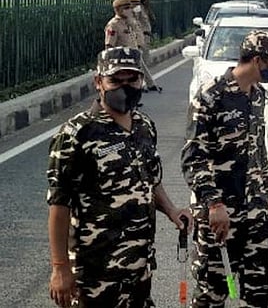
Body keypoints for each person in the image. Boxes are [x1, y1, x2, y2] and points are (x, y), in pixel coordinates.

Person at [47, 47, 191, 308]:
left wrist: (171, 210)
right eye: (115, 80)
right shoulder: (77, 134)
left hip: (139, 266)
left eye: (132, 80)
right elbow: (59, 205)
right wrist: (60, 268)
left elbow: (150, 180)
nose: (124, 87)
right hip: (95, 272)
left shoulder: (144, 126)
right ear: (98, 82)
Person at [181, 30, 268, 308]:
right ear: (256, 60)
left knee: (257, 288)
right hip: (221, 213)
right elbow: (194, 156)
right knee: (213, 291)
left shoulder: (258, 96)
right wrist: (213, 203)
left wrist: (265, 195)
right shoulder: (210, 96)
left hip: (256, 212)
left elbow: (257, 148)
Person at [126, 0, 161, 93]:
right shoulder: (127, 17)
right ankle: (143, 84)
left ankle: (147, 84)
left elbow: (150, 20)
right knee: (139, 64)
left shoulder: (138, 12)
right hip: (133, 42)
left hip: (141, 39)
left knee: (143, 62)